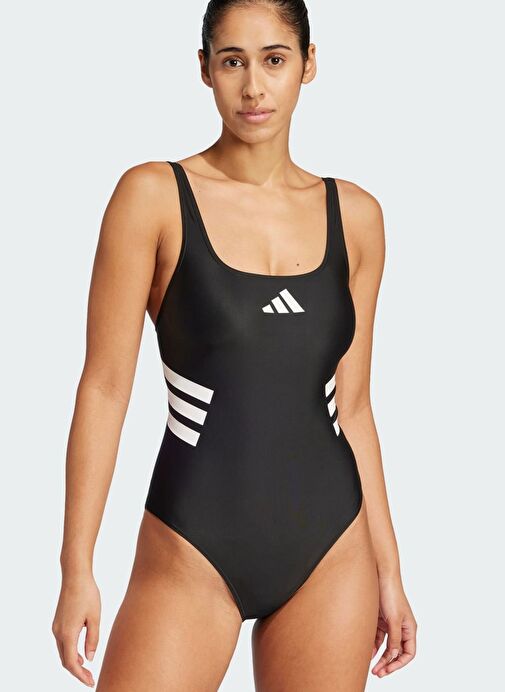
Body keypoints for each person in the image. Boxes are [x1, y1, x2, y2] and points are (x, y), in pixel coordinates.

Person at [52, 1, 417, 689]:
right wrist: (77, 568)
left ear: (308, 65)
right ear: (205, 69)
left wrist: (390, 573)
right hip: (191, 545)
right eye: (232, 62)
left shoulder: (356, 216)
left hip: (332, 546)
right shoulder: (152, 196)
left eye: (274, 60)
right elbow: (103, 388)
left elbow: (355, 407)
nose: (253, 87)